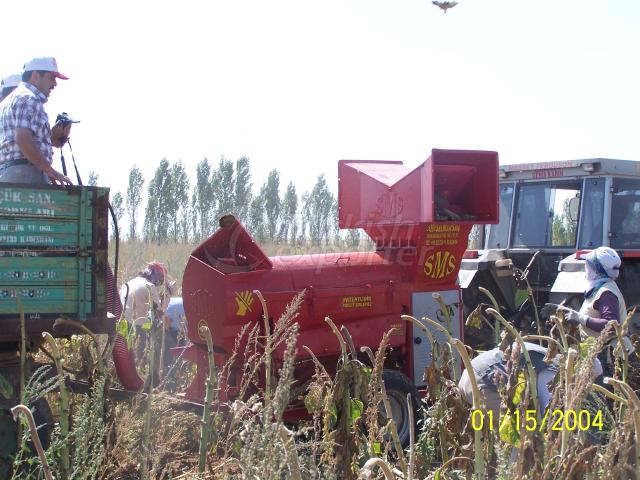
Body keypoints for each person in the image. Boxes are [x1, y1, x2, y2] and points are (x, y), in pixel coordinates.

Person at [543, 246, 631, 376]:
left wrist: (580, 319)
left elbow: (611, 326)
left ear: (596, 269)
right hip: (599, 352)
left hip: (607, 357)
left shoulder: (606, 293)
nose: (585, 267)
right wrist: (561, 309)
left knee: (599, 394)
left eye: (588, 264)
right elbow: (590, 313)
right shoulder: (601, 288)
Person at [0, 57, 72, 184]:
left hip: (13, 172)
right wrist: (50, 170)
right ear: (35, 76)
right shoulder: (29, 98)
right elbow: (23, 139)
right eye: (51, 78)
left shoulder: (12, 98)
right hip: (26, 173)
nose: (55, 84)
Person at [458, 342, 561, 422]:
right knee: (511, 438)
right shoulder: (555, 373)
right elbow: (546, 411)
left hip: (472, 370)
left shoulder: (556, 361)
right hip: (485, 381)